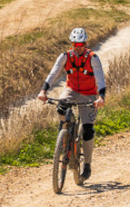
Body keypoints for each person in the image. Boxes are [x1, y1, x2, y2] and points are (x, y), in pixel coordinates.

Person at [37, 27, 106, 180]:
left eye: (81, 44)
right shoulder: (65, 56)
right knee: (61, 107)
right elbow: (53, 73)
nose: (78, 47)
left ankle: (87, 164)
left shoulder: (93, 58)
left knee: (88, 128)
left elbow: (100, 79)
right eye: (75, 44)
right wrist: (43, 91)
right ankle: (63, 138)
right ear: (71, 44)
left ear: (86, 44)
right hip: (71, 90)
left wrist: (101, 97)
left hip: (88, 94)